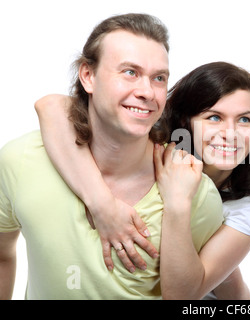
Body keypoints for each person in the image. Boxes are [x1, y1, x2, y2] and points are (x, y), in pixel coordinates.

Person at [0, 13, 224, 300]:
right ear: (88, 76)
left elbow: (194, 296)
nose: (147, 92)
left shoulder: (195, 193)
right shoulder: (21, 161)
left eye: (159, 78)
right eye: (130, 72)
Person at [35, 62, 250, 299]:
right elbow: (50, 106)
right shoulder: (151, 146)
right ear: (185, 122)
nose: (230, 134)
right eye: (214, 117)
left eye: (245, 119)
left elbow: (182, 296)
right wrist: (103, 205)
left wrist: (178, 203)